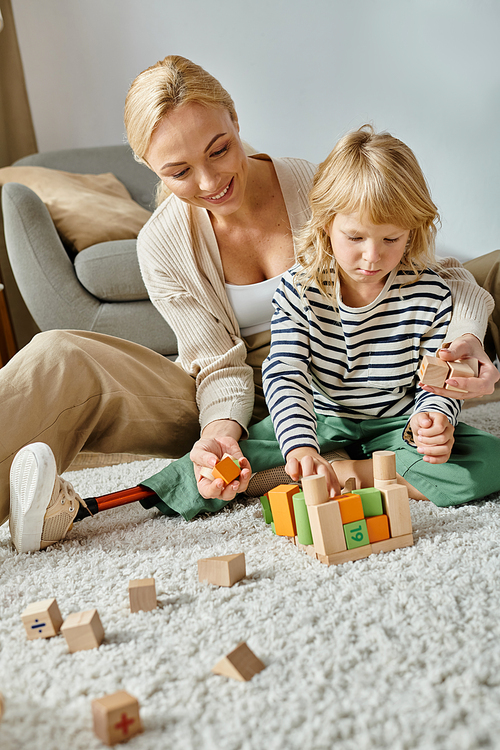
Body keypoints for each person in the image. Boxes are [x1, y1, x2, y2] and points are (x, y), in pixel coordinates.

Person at [3, 56, 498, 554]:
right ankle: (309, 464)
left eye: (220, 150)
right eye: (178, 171)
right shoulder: (163, 243)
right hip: (245, 394)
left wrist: (467, 340)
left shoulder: (311, 182)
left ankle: (328, 465)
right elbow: (220, 366)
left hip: (369, 367)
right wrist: (220, 434)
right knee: (56, 356)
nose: (208, 182)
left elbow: (436, 274)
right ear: (149, 167)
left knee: (492, 272)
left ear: (235, 120)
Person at [256, 125, 500, 504]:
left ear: (412, 232)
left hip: (396, 425)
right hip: (321, 421)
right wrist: (300, 447)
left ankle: (346, 472)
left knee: (490, 462)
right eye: (355, 237)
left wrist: (434, 421)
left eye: (391, 239)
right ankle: (326, 464)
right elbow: (286, 373)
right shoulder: (297, 289)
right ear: (325, 225)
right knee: (216, 462)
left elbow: (436, 381)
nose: (373, 257)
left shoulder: (430, 293)